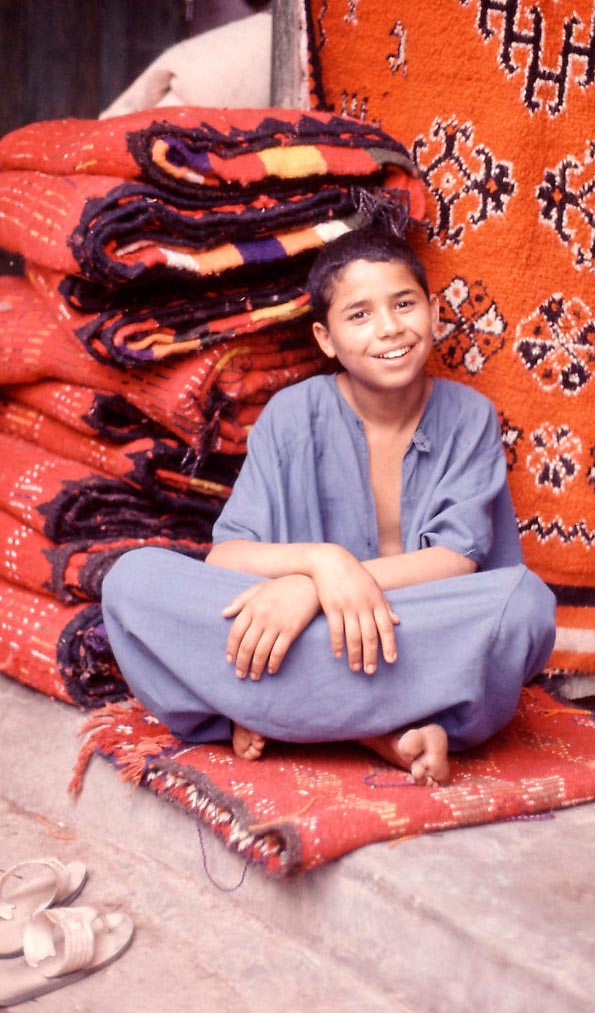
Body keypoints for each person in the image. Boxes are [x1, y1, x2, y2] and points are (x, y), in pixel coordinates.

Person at [102, 227, 556, 786]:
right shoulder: (292, 414)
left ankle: (279, 714)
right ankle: (385, 726)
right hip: (303, 638)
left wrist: (313, 592)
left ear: (435, 313)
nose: (390, 328)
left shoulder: (471, 416)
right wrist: (322, 564)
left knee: (524, 606)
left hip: (412, 630)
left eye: (404, 304)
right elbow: (228, 557)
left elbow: (458, 559)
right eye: (359, 315)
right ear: (325, 337)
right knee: (131, 582)